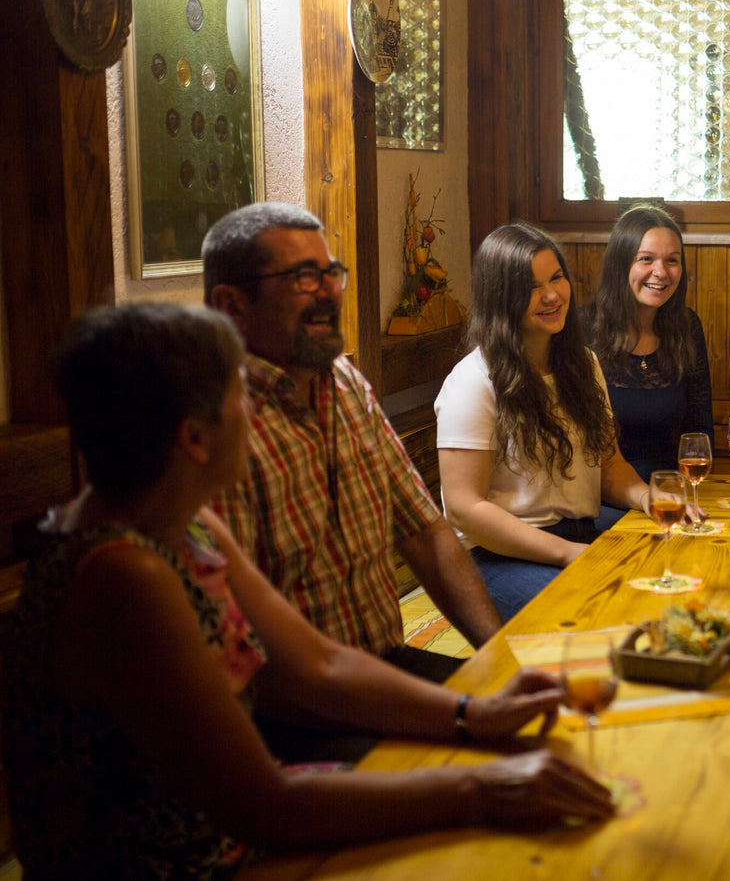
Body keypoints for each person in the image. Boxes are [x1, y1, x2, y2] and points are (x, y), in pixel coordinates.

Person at [1, 303, 613, 880]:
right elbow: (264, 805)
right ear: (194, 437)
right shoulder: (123, 576)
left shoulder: (181, 520)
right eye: (240, 396)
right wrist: (485, 788)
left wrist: (473, 713)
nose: (257, 414)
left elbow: (318, 662)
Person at [203, 202, 502, 761]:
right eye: (302, 277)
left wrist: (498, 658)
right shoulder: (215, 423)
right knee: (481, 771)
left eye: (331, 272)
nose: (329, 292)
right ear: (232, 304)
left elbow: (427, 534)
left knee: (544, 721)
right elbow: (250, 661)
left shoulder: (344, 384)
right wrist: (457, 715)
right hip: (285, 718)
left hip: (385, 664)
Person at [435, 223, 649, 622]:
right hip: (498, 556)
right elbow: (464, 508)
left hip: (579, 534)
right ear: (502, 298)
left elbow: (610, 467)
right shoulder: (473, 381)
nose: (552, 295)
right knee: (603, 614)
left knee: (670, 576)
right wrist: (569, 554)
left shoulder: (584, 364)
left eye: (557, 278)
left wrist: (649, 498)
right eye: (532, 287)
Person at [583, 205, 713, 486]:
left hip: (672, 489)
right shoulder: (583, 330)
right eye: (646, 259)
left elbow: (699, 430)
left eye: (672, 261)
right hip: (601, 495)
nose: (661, 272)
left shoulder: (687, 327)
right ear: (621, 264)